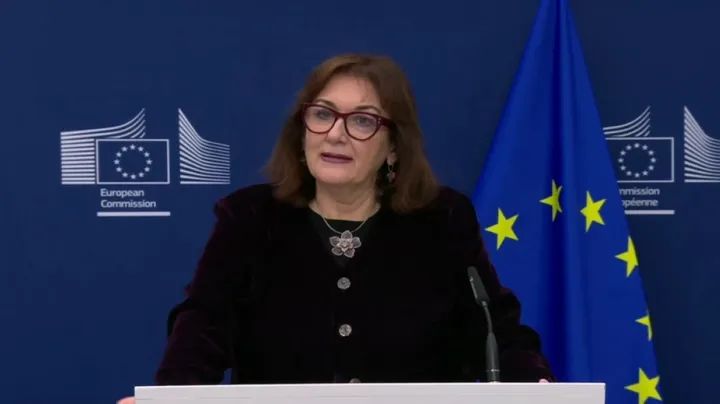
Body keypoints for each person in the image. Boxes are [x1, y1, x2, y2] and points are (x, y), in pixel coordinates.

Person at [118, 53, 552, 403]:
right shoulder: (250, 218)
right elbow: (203, 326)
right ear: (302, 131)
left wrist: (536, 387)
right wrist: (172, 398)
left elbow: (496, 331)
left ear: (394, 147)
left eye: (362, 120)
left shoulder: (442, 220)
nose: (335, 134)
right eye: (323, 114)